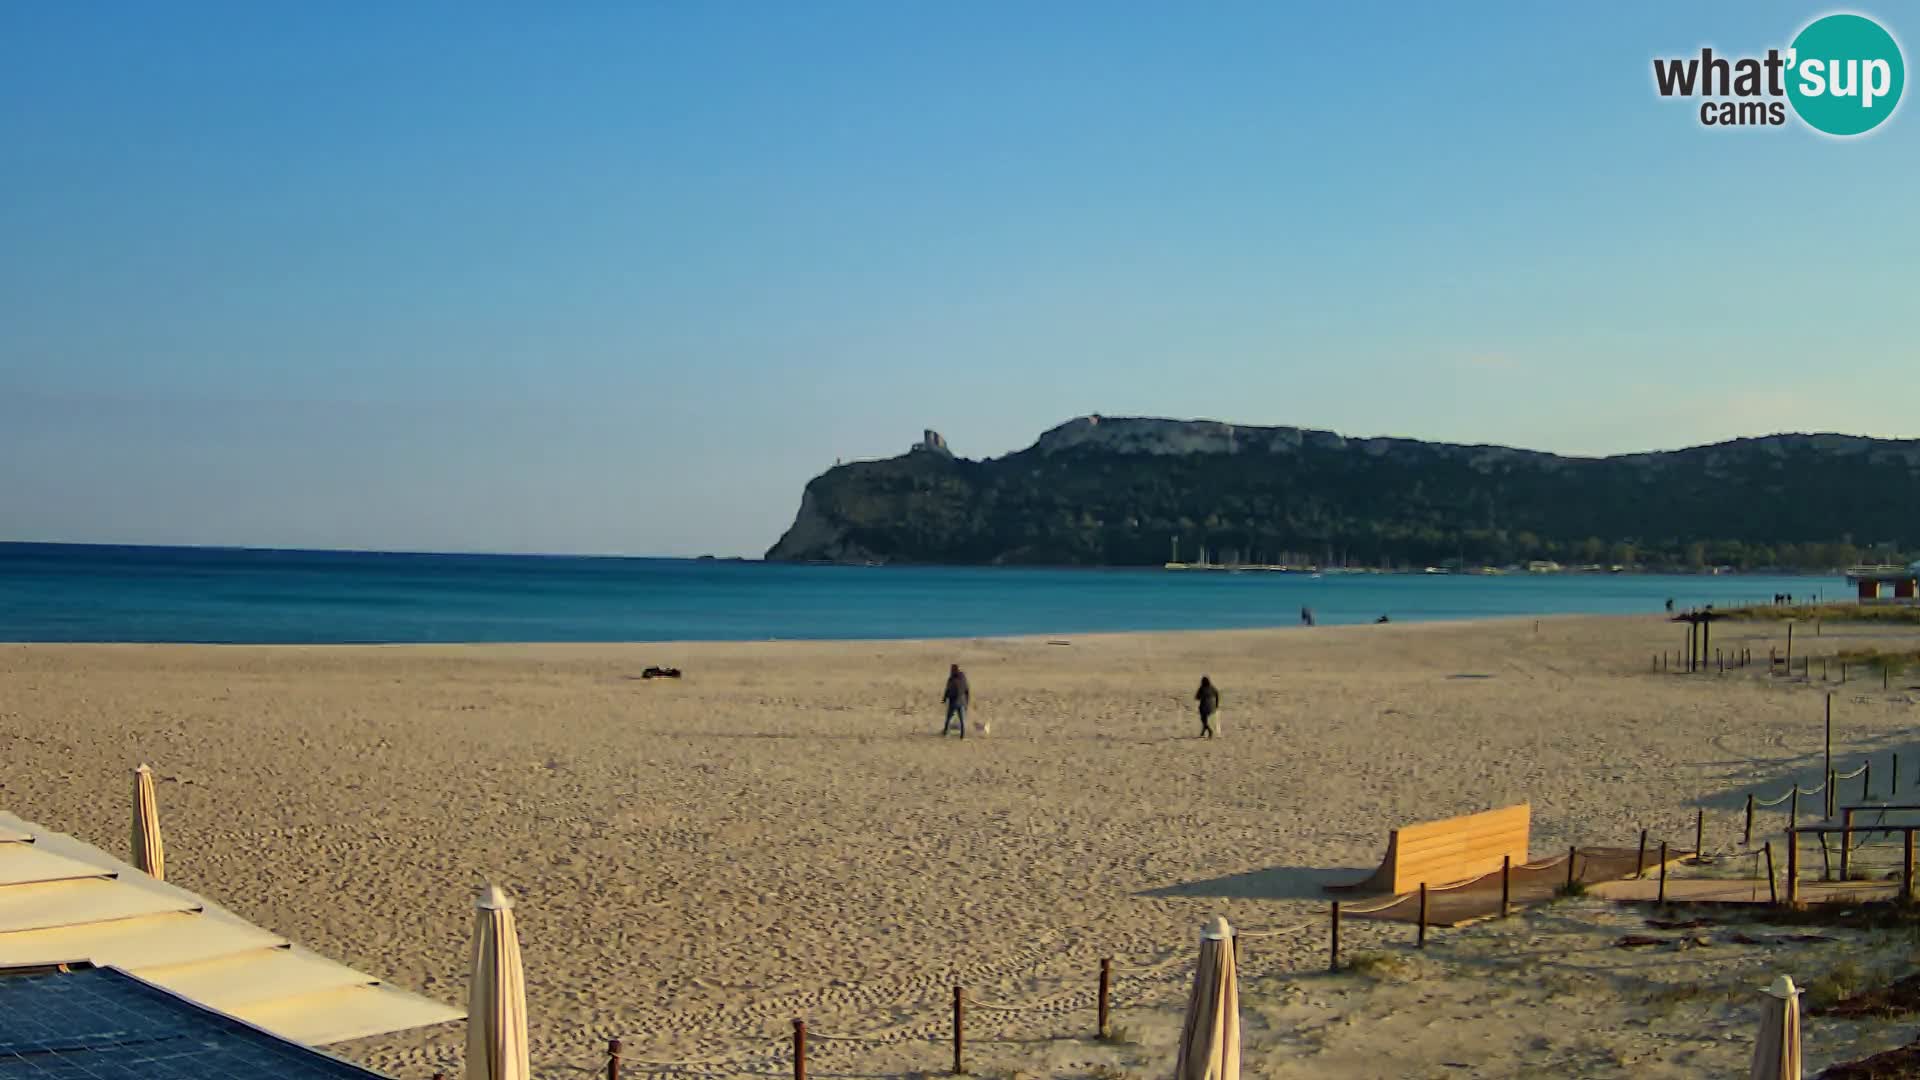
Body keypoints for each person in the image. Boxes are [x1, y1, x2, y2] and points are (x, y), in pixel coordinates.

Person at [941, 664, 970, 738]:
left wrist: (944, 699)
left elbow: (947, 690)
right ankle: (962, 735)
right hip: (962, 702)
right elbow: (967, 690)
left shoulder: (951, 679)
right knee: (962, 720)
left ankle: (945, 732)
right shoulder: (963, 678)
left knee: (948, 718)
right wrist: (966, 702)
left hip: (953, 702)